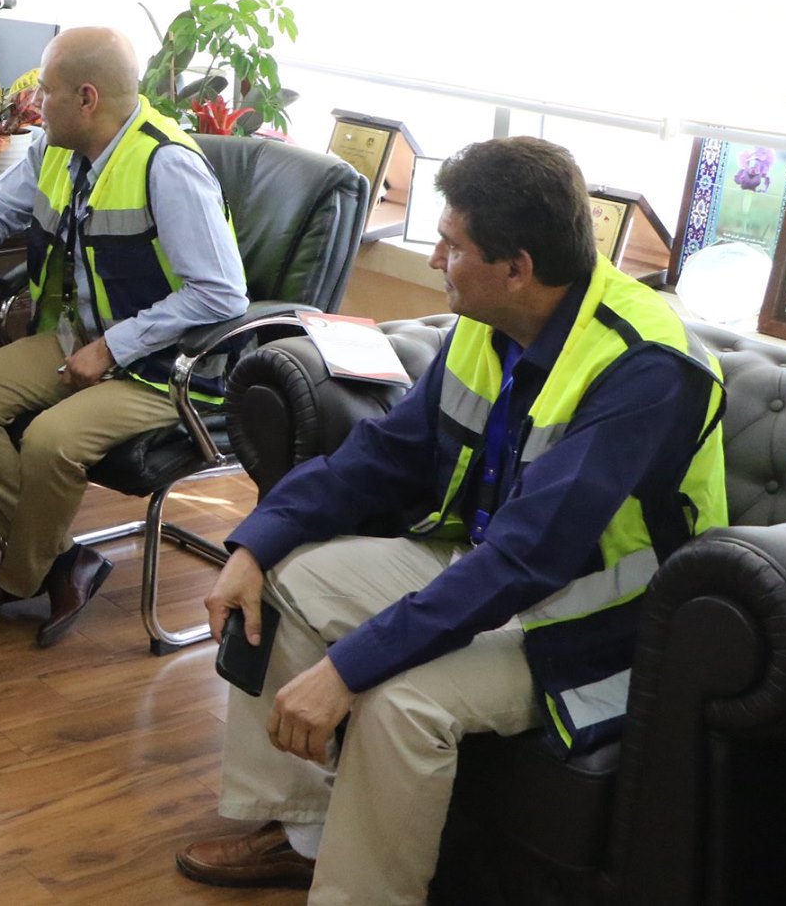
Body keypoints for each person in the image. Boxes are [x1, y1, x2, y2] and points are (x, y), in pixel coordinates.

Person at [174, 137, 727, 904]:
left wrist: (345, 669)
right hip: (488, 563)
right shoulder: (488, 319)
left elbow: (528, 558)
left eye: (452, 245)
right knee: (284, 580)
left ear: (517, 267)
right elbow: (383, 453)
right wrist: (254, 544)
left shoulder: (645, 367)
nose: (436, 259)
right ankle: (303, 834)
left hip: (598, 618)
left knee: (400, 697)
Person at [0, 27, 247, 646]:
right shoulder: (56, 149)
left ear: (86, 98)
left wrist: (114, 347)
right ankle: (62, 559)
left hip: (169, 366)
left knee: (51, 441)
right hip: (79, 338)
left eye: (46, 90)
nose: (35, 103)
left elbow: (221, 293)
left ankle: (16, 578)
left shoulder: (167, 165)